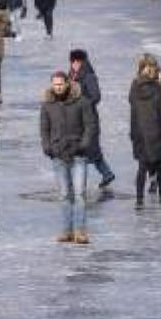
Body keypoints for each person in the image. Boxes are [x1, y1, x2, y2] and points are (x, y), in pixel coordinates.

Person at [40, 71, 97, 245]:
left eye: (60, 84)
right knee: (64, 194)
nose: (57, 87)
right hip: (58, 154)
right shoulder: (48, 105)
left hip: (78, 153)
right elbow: (44, 129)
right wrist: (47, 147)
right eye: (54, 84)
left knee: (79, 194)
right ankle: (66, 230)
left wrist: (84, 145)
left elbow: (90, 125)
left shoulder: (82, 102)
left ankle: (80, 231)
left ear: (67, 84)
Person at [129, 55, 161, 208]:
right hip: (157, 133)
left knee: (142, 168)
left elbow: (131, 104)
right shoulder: (158, 88)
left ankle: (139, 200)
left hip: (139, 133)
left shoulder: (134, 87)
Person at [69, 49, 116, 193]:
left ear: (82, 62)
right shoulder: (72, 75)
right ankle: (106, 174)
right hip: (75, 119)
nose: (74, 64)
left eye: (77, 62)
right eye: (72, 62)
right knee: (85, 150)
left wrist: (83, 105)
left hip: (88, 118)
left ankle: (75, 182)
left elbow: (96, 96)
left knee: (88, 150)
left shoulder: (88, 76)